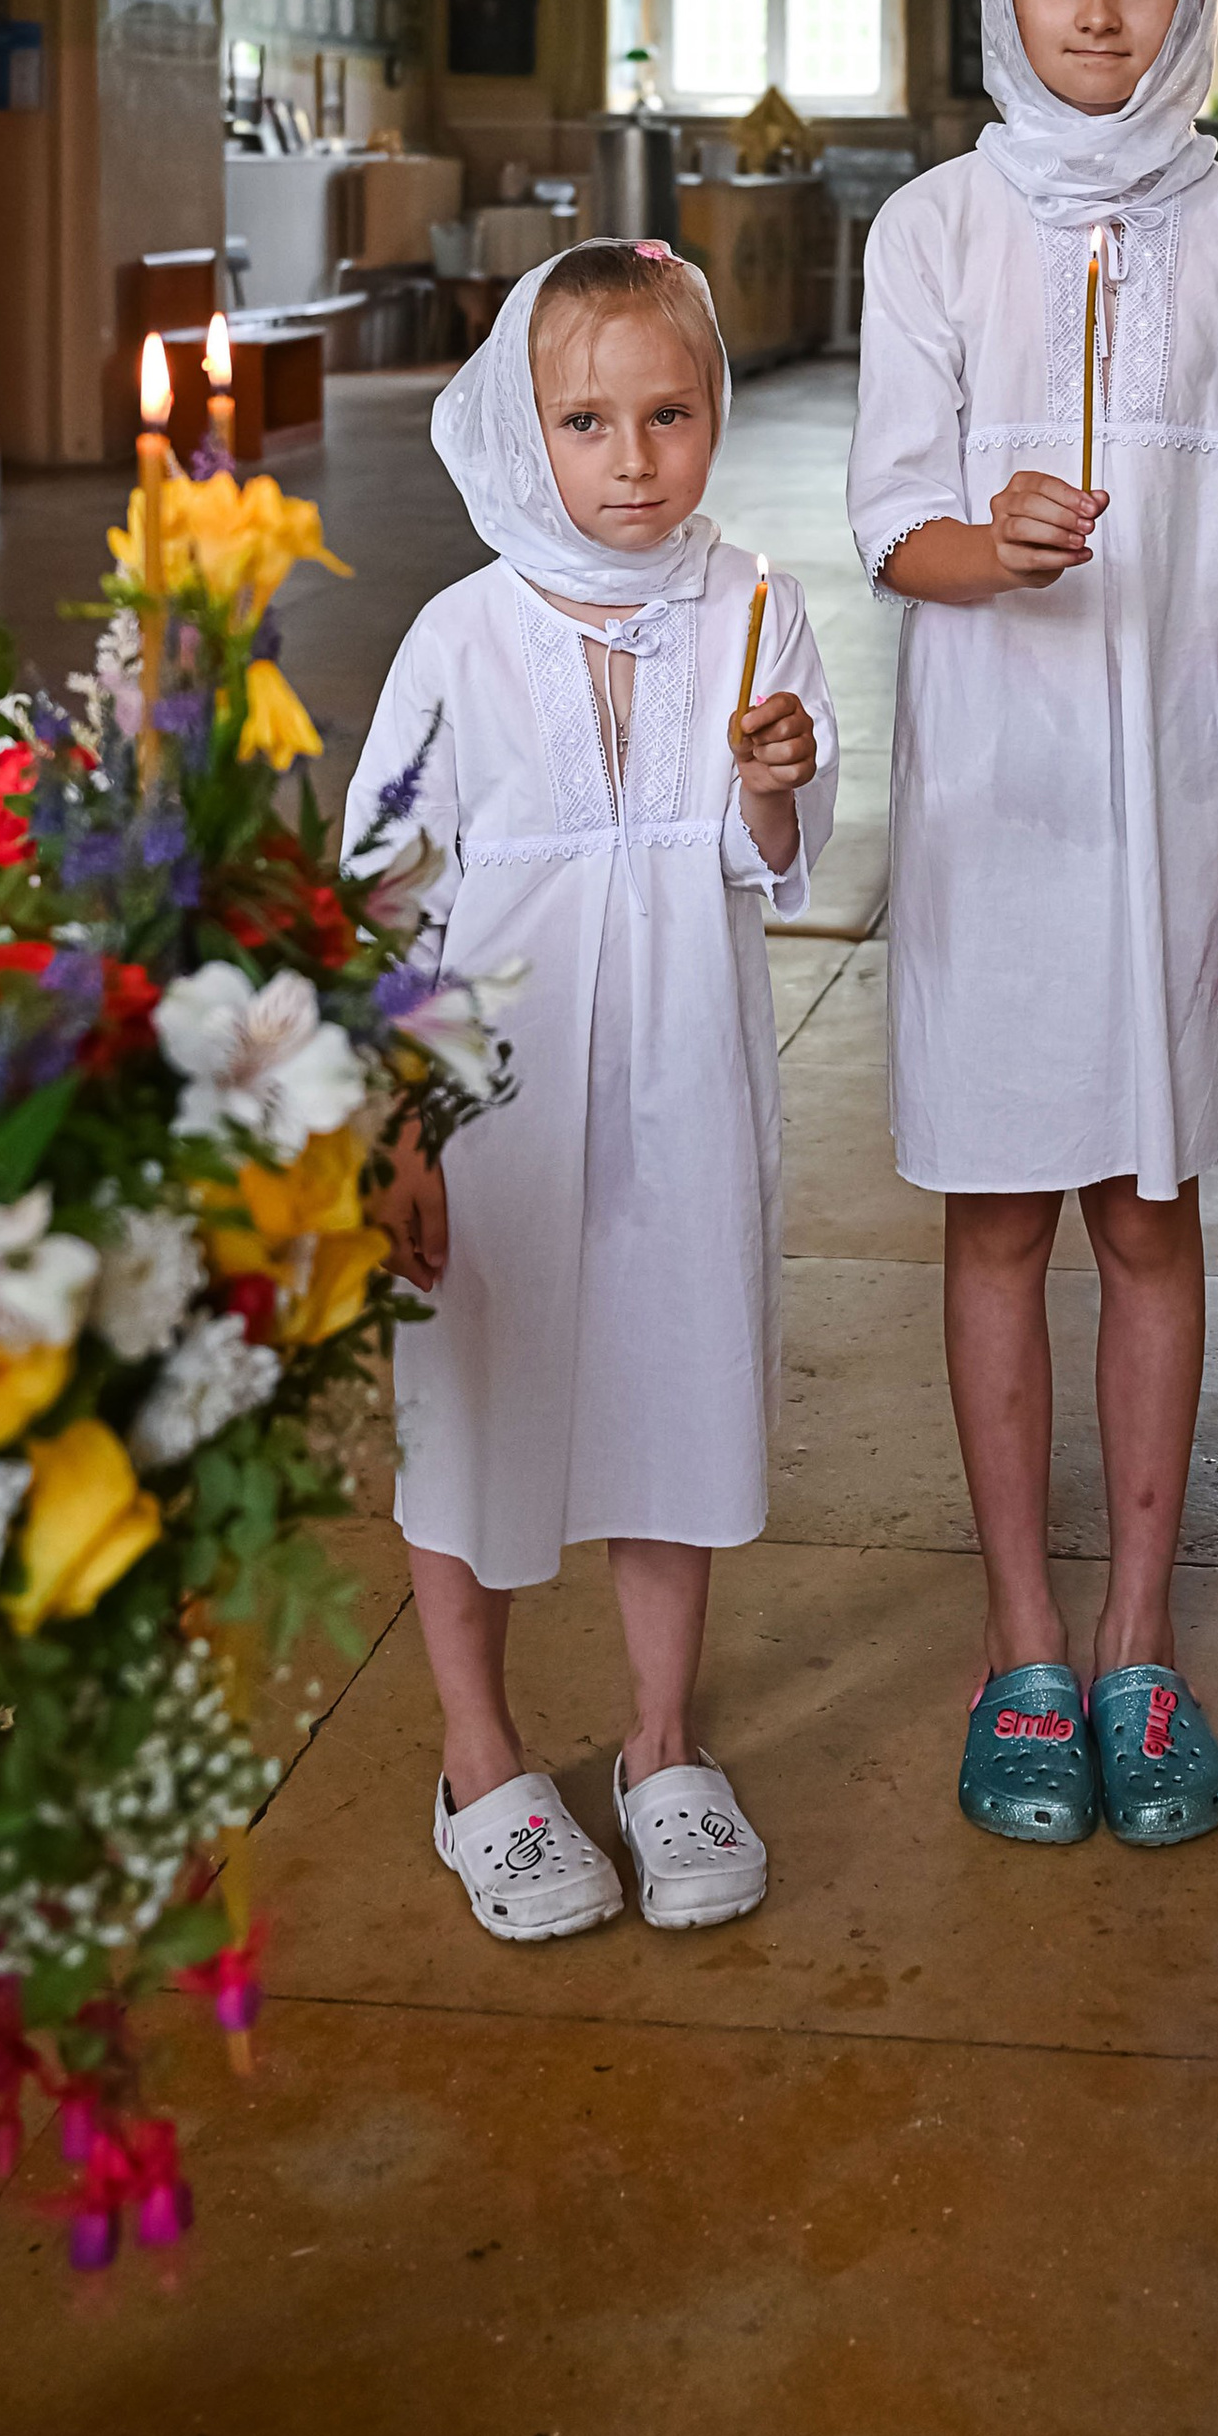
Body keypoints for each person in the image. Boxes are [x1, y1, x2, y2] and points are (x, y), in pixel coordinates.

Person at [848, 0, 1218, 1853]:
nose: (1094, 11)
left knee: (1148, 1215)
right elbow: (895, 525)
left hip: (1182, 808)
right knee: (995, 1218)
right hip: (997, 809)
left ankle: (1140, 1643)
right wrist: (991, 543)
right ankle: (1021, 1648)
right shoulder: (934, 230)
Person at [346, 240, 836, 1942]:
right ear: (519, 428)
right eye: (587, 419)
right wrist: (394, 1127)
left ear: (715, 415)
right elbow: (385, 893)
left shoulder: (754, 610)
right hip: (494, 1105)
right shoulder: (462, 637)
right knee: (472, 1407)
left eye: (670, 415)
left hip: (683, 1091)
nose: (634, 460)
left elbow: (768, 857)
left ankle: (660, 1740)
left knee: (671, 1384)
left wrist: (774, 786)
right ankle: (481, 1758)